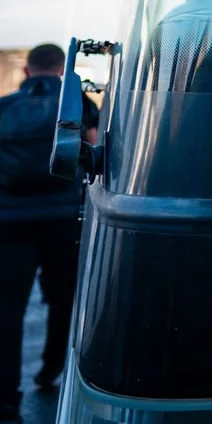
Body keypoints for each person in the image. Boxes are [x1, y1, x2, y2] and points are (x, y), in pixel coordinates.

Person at [0, 44, 98, 423]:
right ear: (61, 70)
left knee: (7, 312)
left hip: (9, 221)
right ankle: (52, 368)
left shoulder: (5, 107)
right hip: (62, 218)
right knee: (64, 300)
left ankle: (6, 402)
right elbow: (93, 153)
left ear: (27, 71)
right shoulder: (76, 103)